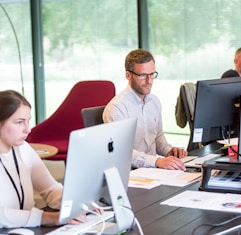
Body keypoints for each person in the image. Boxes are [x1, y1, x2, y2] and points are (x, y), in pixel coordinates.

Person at [0, 90, 87, 228]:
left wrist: (79, 205)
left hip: (25, 229)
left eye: (28, 121)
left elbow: (50, 189)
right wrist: (47, 218)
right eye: (19, 122)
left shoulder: (23, 149)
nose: (27, 130)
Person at [103, 49, 187, 170]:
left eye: (152, 74)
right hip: (131, 173)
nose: (149, 81)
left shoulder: (154, 102)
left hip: (153, 171)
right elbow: (121, 152)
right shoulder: (117, 108)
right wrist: (157, 161)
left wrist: (169, 151)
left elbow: (157, 137)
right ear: (128, 75)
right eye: (142, 75)